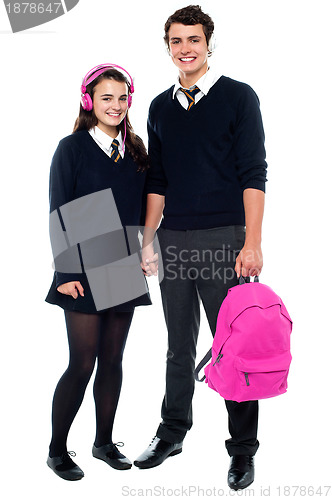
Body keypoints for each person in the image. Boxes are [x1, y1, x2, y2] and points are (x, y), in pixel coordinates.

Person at [134, 5, 267, 491]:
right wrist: (148, 240)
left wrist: (252, 242)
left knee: (234, 350)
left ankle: (243, 451)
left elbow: (254, 173)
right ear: (167, 48)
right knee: (177, 346)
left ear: (209, 43)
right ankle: (173, 431)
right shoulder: (159, 108)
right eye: (176, 41)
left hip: (225, 241)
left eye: (193, 40)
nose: (185, 49)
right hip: (174, 241)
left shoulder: (238, 98)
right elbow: (158, 181)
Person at [45, 64, 151, 480]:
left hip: (122, 262)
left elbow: (144, 208)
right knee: (82, 361)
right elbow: (58, 212)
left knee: (113, 359)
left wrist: (147, 250)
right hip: (82, 268)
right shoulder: (71, 148)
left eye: (123, 98)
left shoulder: (137, 149)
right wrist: (66, 271)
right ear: (90, 102)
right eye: (107, 98)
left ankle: (104, 442)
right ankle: (57, 450)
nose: (116, 106)